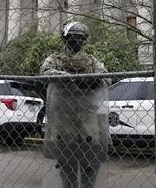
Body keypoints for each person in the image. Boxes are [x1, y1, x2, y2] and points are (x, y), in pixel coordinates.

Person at [41, 21, 109, 188]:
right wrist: (68, 77)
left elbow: (107, 76)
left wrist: (93, 80)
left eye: (80, 38)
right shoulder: (55, 59)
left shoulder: (91, 61)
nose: (76, 41)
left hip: (87, 115)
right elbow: (44, 72)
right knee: (67, 163)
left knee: (90, 161)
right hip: (64, 117)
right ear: (65, 38)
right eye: (72, 37)